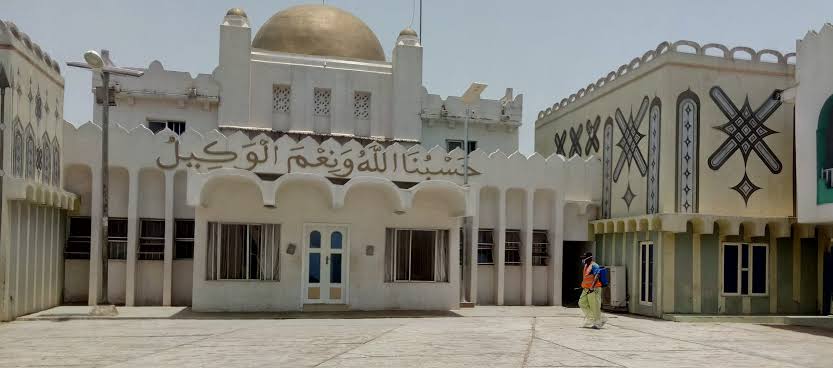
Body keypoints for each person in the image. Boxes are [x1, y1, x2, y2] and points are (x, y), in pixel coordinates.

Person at [578, 252, 606, 329]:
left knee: (594, 306)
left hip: (594, 289)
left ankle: (597, 323)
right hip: (586, 289)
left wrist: (592, 287)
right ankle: (596, 318)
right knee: (582, 303)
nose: (583, 259)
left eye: (584, 257)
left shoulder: (594, 265)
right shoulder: (586, 266)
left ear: (589, 258)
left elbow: (597, 276)